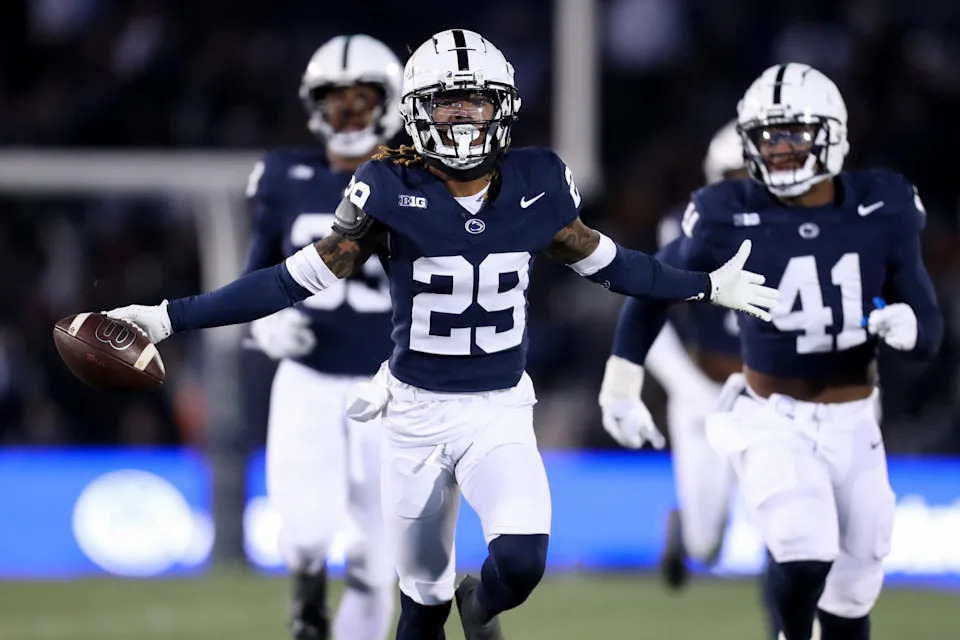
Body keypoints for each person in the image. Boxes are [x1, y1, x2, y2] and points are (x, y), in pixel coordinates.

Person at [105, 30, 778, 640]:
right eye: (446, 104)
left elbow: (611, 265)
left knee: (521, 561)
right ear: (417, 110)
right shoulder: (387, 188)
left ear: (502, 108)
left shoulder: (537, 182)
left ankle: (480, 607)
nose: (461, 118)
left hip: (498, 410)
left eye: (475, 103)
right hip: (415, 415)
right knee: (420, 600)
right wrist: (168, 317)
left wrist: (705, 285)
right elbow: (288, 280)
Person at [602, 63, 942, 640]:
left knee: (855, 588)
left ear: (830, 133)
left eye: (792, 134)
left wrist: (911, 325)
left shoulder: (881, 206)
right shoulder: (724, 214)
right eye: (765, 136)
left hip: (855, 415)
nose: (778, 149)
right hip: (770, 413)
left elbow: (928, 329)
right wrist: (622, 379)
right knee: (801, 546)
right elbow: (654, 288)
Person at [243, 34, 401, 640]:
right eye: (337, 104)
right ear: (316, 107)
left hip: (391, 386)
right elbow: (256, 271)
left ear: (387, 105)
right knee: (306, 529)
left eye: (361, 102)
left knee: (377, 555)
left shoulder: (422, 178)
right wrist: (264, 321)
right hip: (308, 377)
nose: (349, 116)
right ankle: (307, 589)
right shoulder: (284, 175)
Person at [602, 120, 748, 590]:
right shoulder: (692, 228)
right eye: (734, 175)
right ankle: (686, 529)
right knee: (708, 544)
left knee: (790, 526)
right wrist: (689, 387)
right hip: (707, 387)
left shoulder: (796, 231)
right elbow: (649, 308)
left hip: (773, 391)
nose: (744, 186)